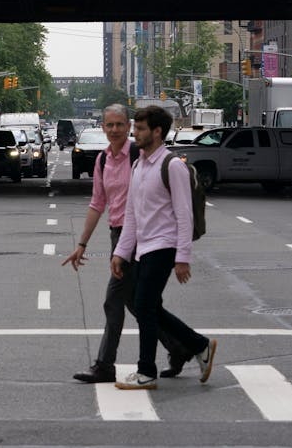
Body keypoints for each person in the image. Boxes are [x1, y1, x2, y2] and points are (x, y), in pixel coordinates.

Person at [62, 105, 184, 384]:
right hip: (120, 235)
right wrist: (82, 243)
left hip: (143, 238)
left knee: (114, 300)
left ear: (128, 126)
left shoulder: (138, 156)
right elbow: (97, 204)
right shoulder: (103, 161)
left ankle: (105, 365)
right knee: (140, 303)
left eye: (120, 124)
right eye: (109, 125)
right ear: (102, 127)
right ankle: (182, 346)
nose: (114, 130)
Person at [110, 105, 217, 390]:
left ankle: (146, 371)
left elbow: (185, 215)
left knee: (144, 305)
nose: (135, 133)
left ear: (157, 132)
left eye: (141, 129)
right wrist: (121, 253)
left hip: (164, 246)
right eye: (136, 127)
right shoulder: (138, 165)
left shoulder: (172, 166)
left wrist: (183, 257)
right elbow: (131, 215)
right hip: (144, 247)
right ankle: (199, 345)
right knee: (150, 307)